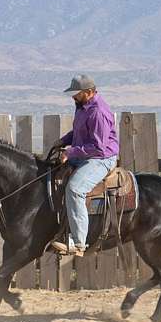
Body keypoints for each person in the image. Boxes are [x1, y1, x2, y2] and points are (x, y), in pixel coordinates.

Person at [50, 75, 119, 256]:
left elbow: (98, 146)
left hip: (101, 158)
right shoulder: (82, 107)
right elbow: (80, 132)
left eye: (77, 94)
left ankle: (79, 242)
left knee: (75, 189)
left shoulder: (98, 112)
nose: (73, 97)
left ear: (88, 92)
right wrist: (64, 140)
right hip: (85, 154)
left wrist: (69, 152)